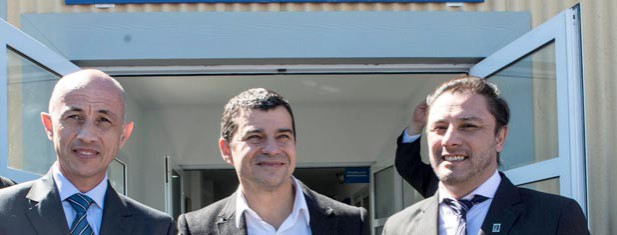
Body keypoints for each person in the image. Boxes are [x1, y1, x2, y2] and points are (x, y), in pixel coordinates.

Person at [383, 76, 589, 235]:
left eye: (468, 126)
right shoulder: (398, 227)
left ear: (499, 137)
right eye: (439, 127)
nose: (449, 140)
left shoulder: (555, 216)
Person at [0, 69, 175, 235]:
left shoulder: (154, 227)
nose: (87, 136)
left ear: (123, 135)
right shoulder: (5, 212)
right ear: (49, 125)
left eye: (103, 120)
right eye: (75, 117)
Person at [177, 88, 369, 235]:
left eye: (283, 136)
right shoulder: (196, 229)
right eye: (255, 137)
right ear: (226, 150)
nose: (272, 149)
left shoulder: (351, 222)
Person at [395, 101, 438, 198]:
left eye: (468, 126)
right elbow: (407, 166)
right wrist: (417, 125)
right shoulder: (436, 176)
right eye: (441, 128)